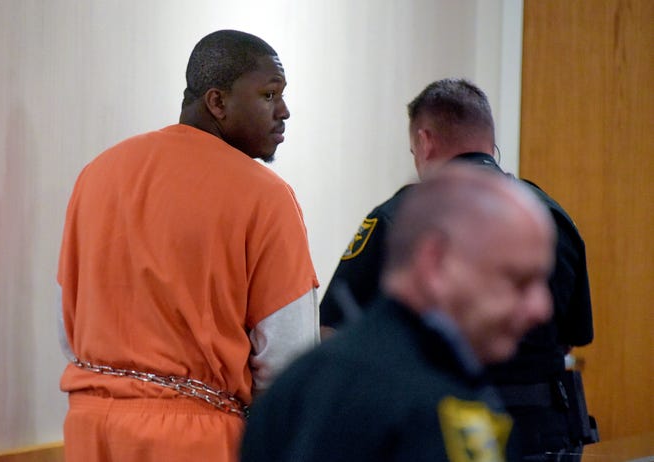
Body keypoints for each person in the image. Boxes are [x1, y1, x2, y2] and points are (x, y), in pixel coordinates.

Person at [57, 30, 319, 462]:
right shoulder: (265, 196)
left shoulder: (97, 174)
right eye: (269, 95)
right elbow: (288, 358)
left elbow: (69, 323)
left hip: (90, 429)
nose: (284, 111)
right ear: (217, 102)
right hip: (195, 437)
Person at [319, 78, 597, 459]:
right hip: (544, 437)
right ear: (489, 140)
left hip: (435, 436)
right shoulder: (550, 217)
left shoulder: (400, 219)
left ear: (426, 141)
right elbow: (571, 335)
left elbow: (332, 329)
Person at [241, 163, 556, 462]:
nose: (541, 308)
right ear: (435, 263)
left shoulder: (301, 382)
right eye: (517, 280)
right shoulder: (433, 407)